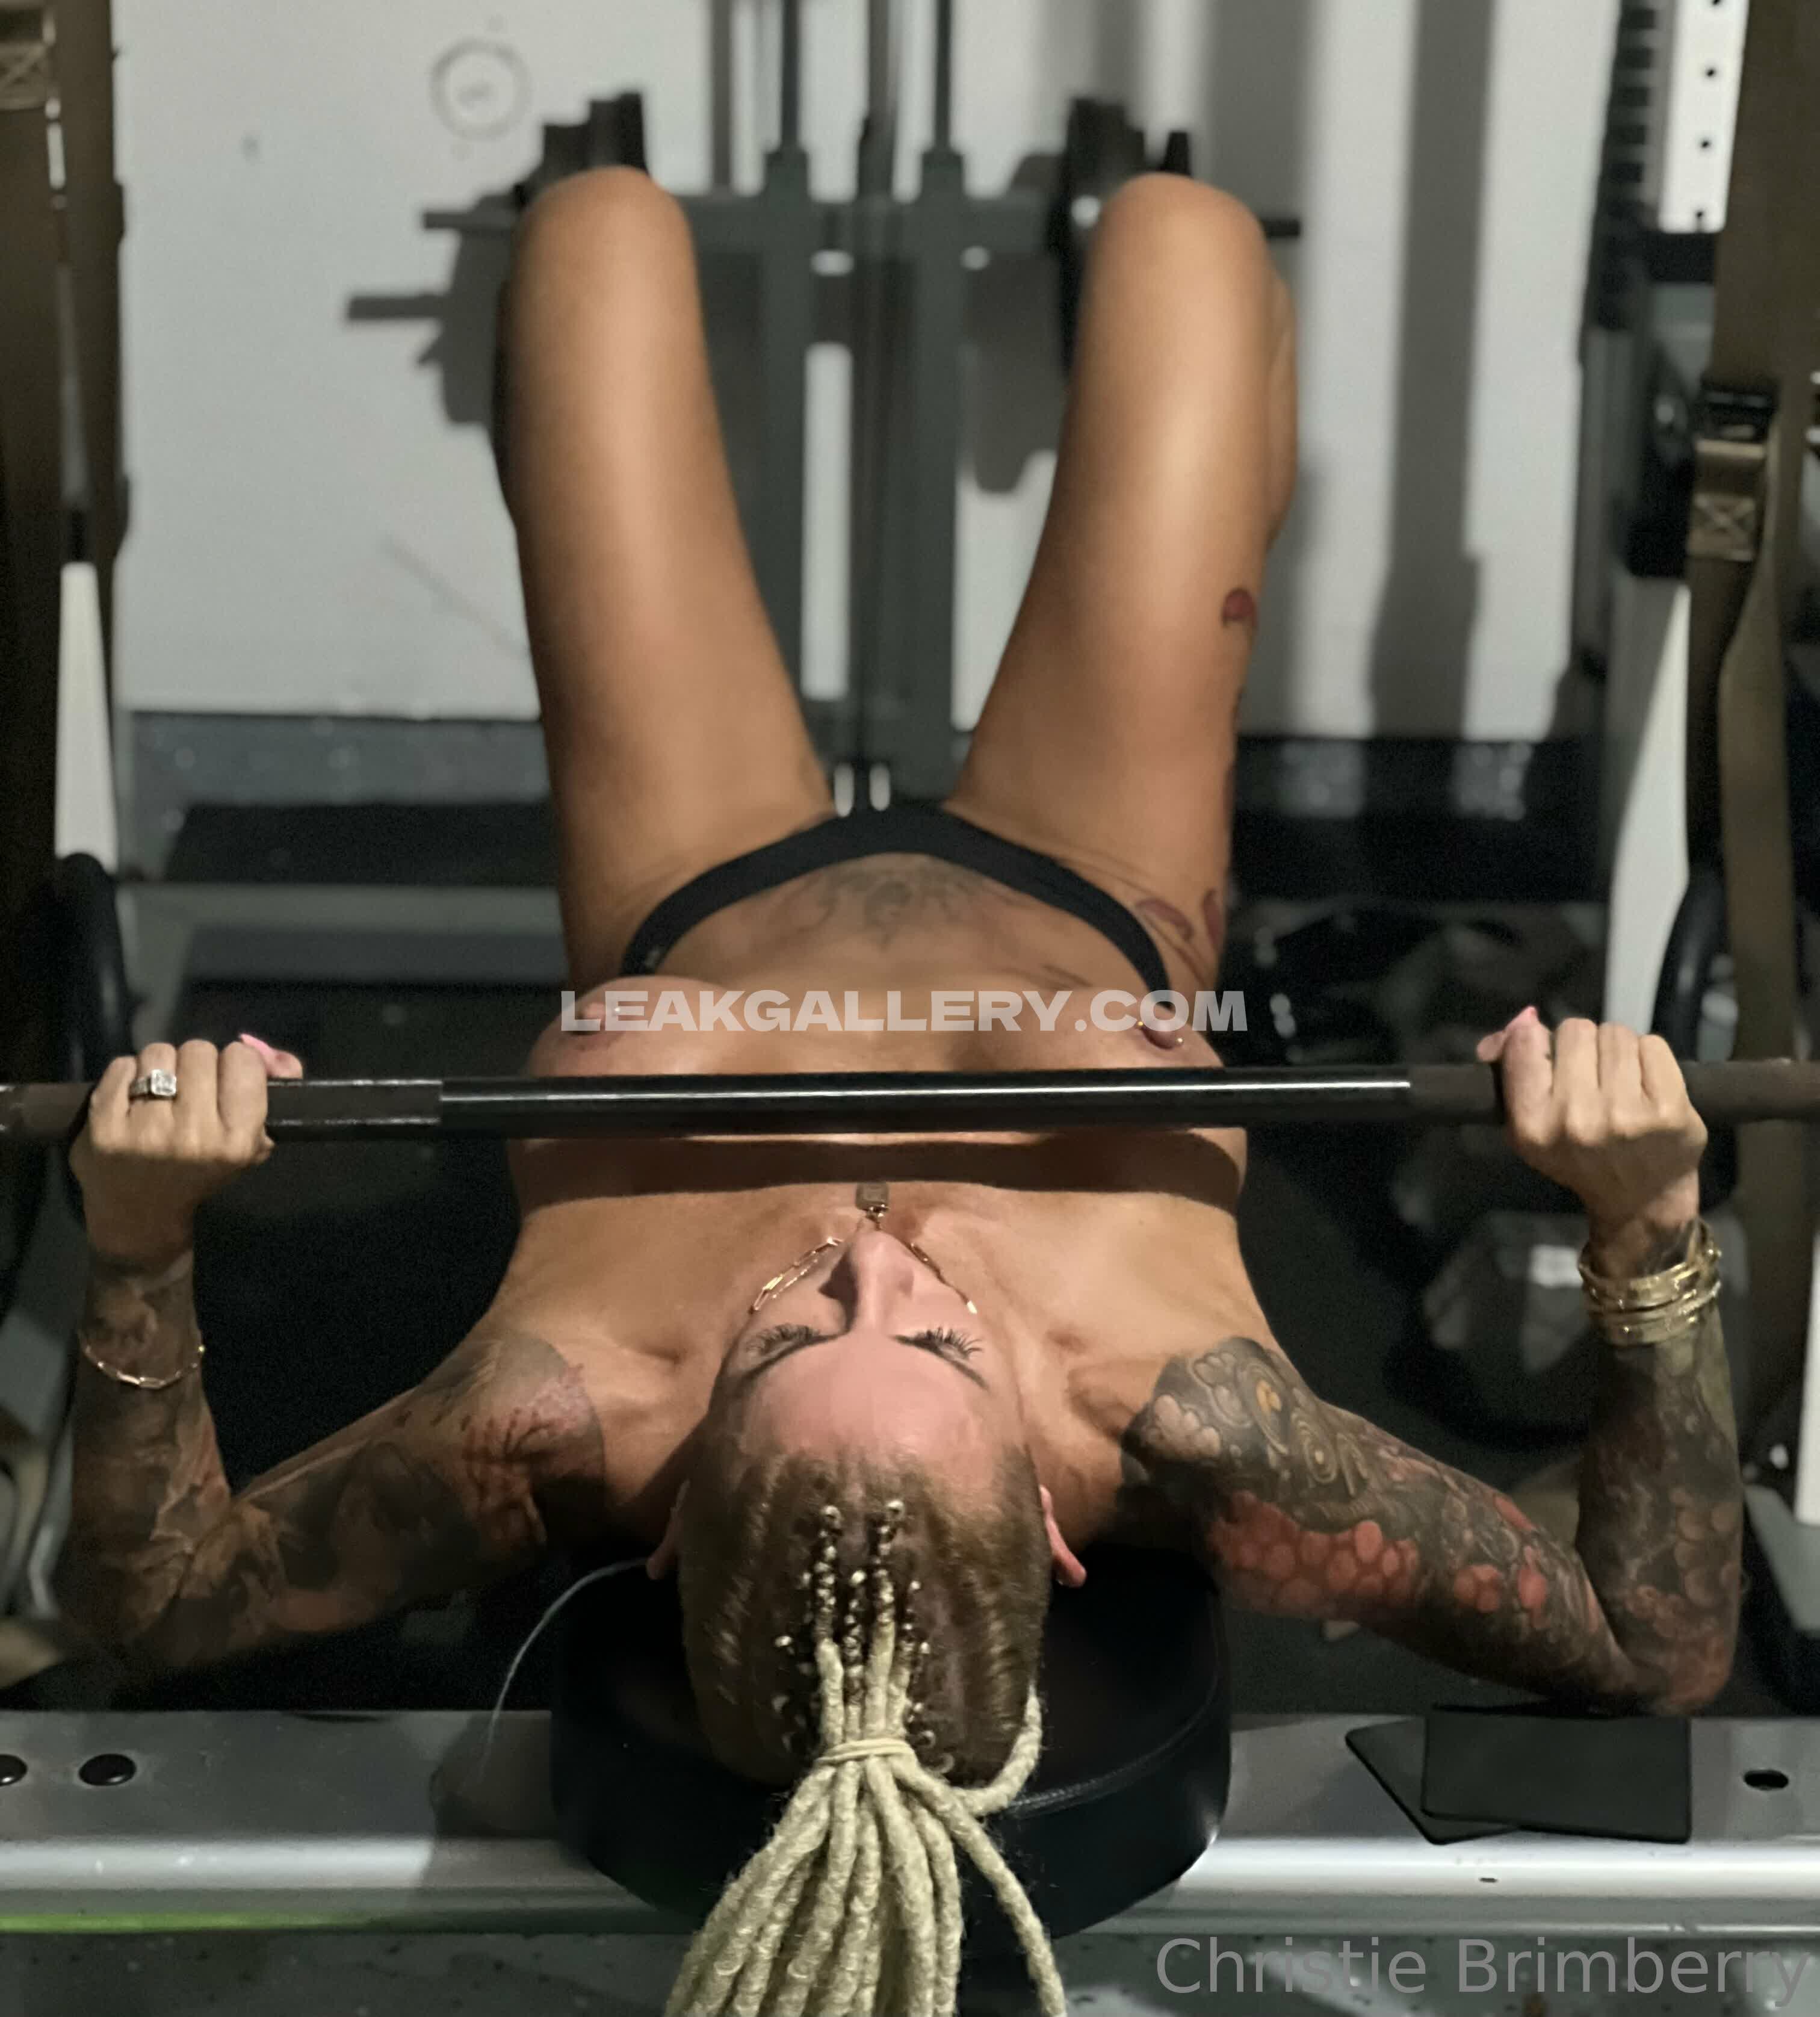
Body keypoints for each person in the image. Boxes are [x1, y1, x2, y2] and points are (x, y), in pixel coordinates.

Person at [58, 170, 1741, 2015]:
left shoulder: (558, 1415)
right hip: (1088, 877)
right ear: (1055, 1523)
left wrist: (140, 1242)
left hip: (696, 889)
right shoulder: (1207, 1425)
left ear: (675, 1512)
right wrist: (1646, 1226)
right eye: (940, 1347)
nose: (880, 1257)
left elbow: (165, 1603)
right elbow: (1650, 1646)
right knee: (1181, 238)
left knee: (590, 232)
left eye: (784, 1338)